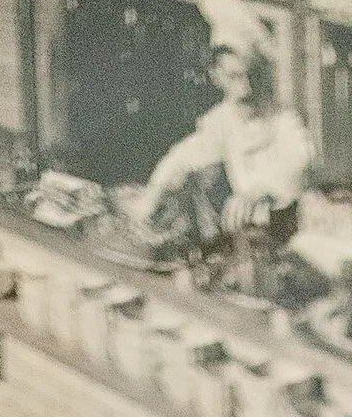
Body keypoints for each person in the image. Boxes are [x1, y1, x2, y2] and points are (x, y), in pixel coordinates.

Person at [133, 37, 312, 267]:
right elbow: (184, 156)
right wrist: (154, 193)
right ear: (216, 77)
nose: (246, 88)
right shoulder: (221, 119)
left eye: (252, 76)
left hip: (292, 236)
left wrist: (259, 190)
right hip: (248, 239)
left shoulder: (284, 118)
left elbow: (301, 159)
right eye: (235, 77)